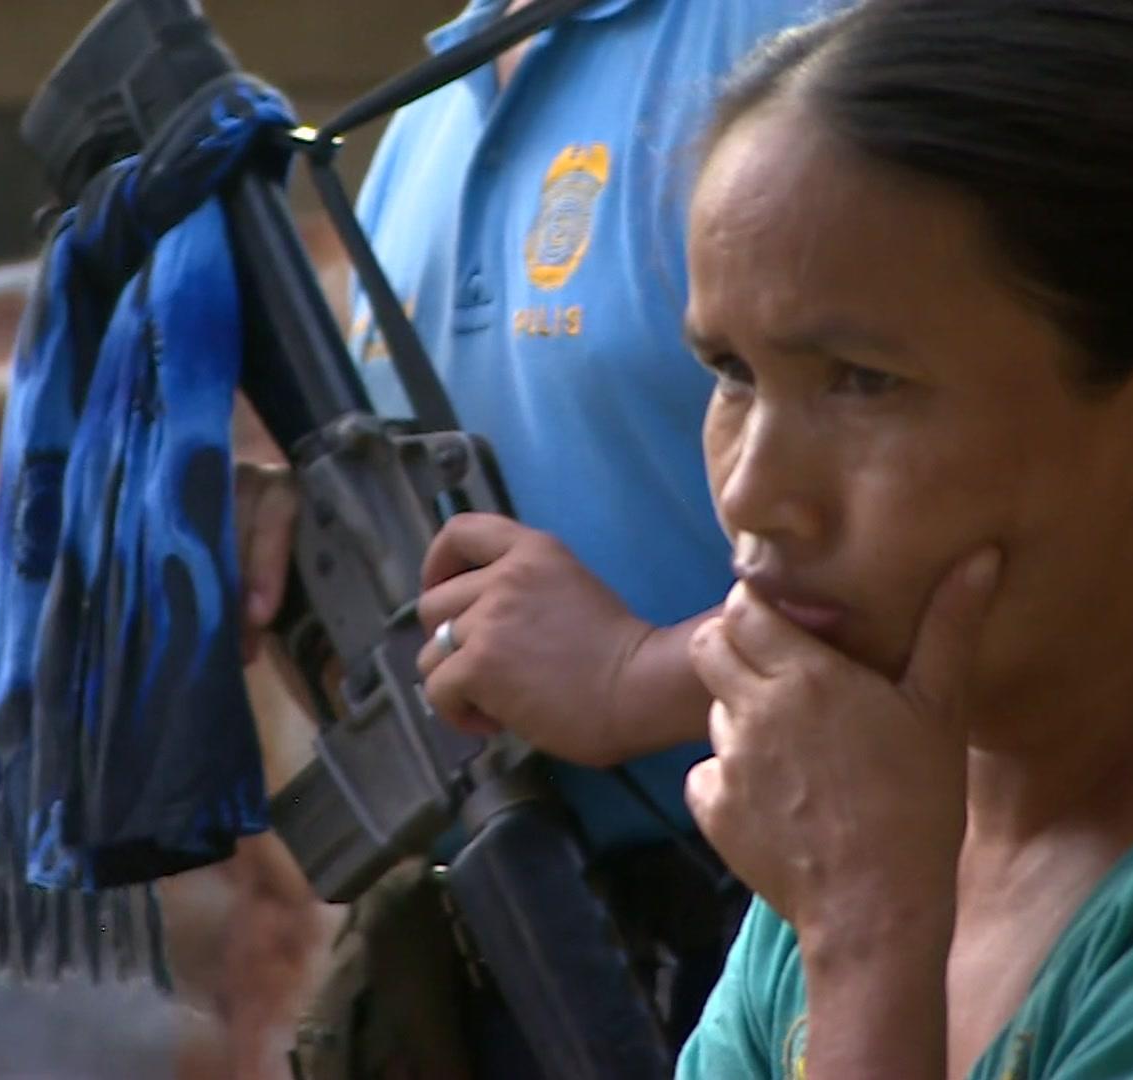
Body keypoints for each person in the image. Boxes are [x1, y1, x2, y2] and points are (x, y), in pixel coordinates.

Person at [413, 0, 1133, 1074]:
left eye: (864, 383)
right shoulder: (862, 822)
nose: (754, 493)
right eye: (733, 375)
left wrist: (866, 938)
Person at [239, 0, 845, 1072]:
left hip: (789, 949)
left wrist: (642, 675)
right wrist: (310, 554)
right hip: (502, 956)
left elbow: (986, 554)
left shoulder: (799, 33)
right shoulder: (425, 116)